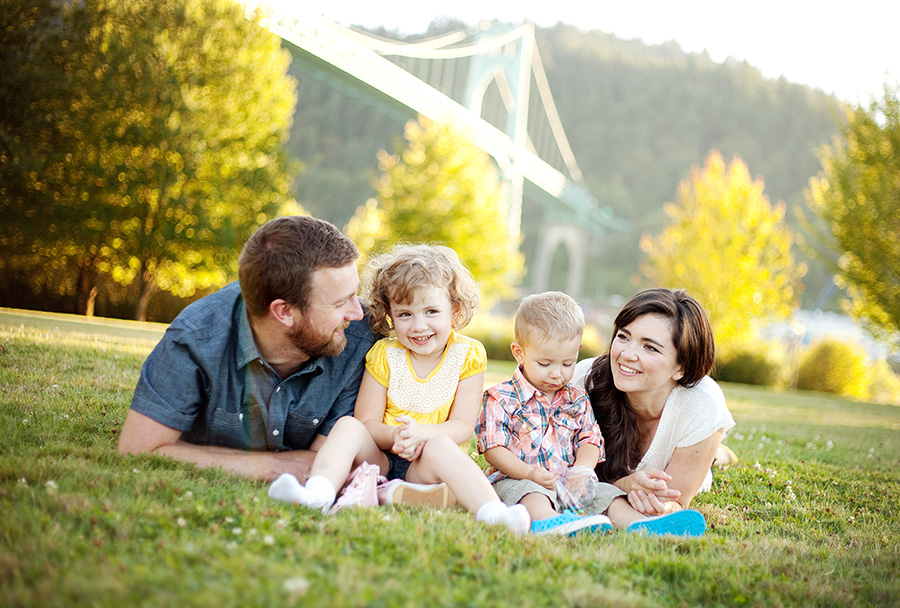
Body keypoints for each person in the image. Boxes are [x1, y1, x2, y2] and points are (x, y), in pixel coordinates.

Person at [267, 244, 530, 534]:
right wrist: (395, 435)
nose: (418, 326)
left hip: (427, 465)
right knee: (348, 426)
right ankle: (317, 494)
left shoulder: (467, 354)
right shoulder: (384, 354)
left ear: (454, 310)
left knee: (441, 446)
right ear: (390, 315)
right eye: (405, 314)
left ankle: (494, 513)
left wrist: (421, 435)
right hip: (379, 460)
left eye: (431, 311)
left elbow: (462, 426)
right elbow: (367, 422)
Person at [118, 216, 379, 482]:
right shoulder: (195, 339)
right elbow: (138, 450)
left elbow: (324, 461)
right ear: (284, 311)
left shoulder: (362, 338)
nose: (357, 312)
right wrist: (272, 466)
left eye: (355, 294)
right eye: (340, 303)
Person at [478, 291, 707, 536]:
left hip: (568, 483)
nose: (557, 373)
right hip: (519, 479)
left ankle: (640, 525)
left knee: (609, 494)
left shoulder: (576, 397)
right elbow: (494, 448)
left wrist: (583, 469)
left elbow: (590, 439)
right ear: (519, 352)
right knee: (531, 494)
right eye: (545, 364)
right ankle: (550, 522)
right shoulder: (501, 398)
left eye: (567, 363)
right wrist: (529, 473)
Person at [573, 287, 736, 521]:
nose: (627, 354)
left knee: (711, 462)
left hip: (687, 451)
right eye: (623, 337)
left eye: (650, 347)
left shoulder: (702, 404)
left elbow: (674, 502)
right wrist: (625, 485)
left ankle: (718, 453)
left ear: (681, 367)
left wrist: (663, 506)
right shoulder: (583, 380)